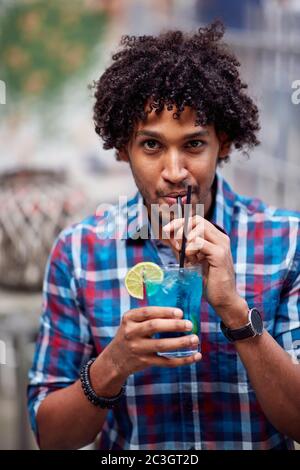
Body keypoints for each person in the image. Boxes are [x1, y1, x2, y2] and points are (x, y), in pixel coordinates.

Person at [27, 21, 300, 450]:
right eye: (152, 146)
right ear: (122, 148)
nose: (174, 173)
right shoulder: (80, 252)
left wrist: (235, 313)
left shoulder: (286, 242)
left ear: (223, 143)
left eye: (193, 145)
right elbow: (50, 436)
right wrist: (113, 363)